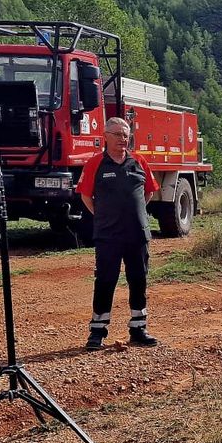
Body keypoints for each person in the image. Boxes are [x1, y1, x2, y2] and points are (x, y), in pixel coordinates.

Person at [78, 116, 160, 349]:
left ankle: (138, 328)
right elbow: (85, 196)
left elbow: (149, 192)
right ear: (105, 136)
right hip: (108, 235)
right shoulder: (95, 164)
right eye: (117, 134)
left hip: (137, 235)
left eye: (125, 135)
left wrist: (137, 215)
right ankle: (97, 332)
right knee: (105, 281)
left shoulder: (139, 161)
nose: (122, 139)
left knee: (138, 279)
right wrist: (104, 217)